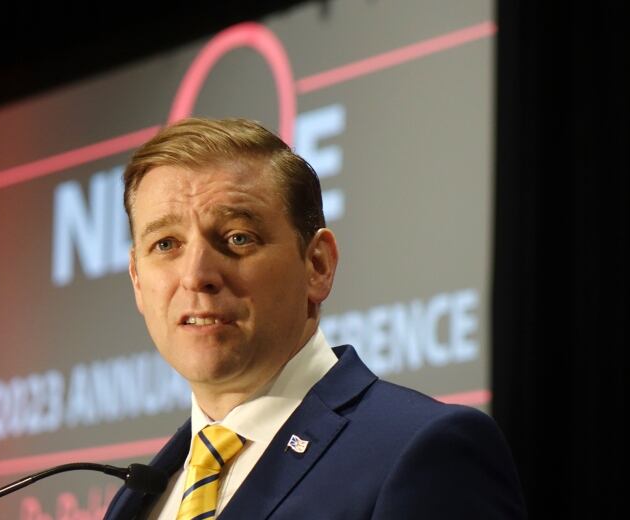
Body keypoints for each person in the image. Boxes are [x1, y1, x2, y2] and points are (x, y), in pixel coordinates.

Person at [104, 117, 526, 519]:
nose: (197, 276)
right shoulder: (139, 498)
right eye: (165, 244)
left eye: (237, 238)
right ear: (137, 280)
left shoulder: (424, 451)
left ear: (317, 265)